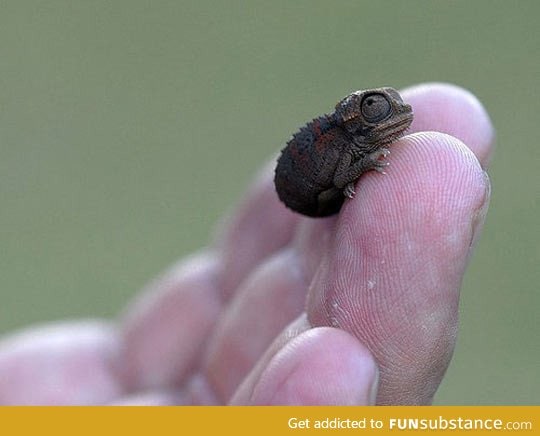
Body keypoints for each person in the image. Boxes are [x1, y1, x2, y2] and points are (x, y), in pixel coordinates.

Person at [0, 83, 493, 405]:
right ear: (355, 119)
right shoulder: (343, 142)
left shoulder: (351, 138)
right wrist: (358, 172)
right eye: (376, 109)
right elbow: (339, 172)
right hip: (303, 188)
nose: (394, 117)